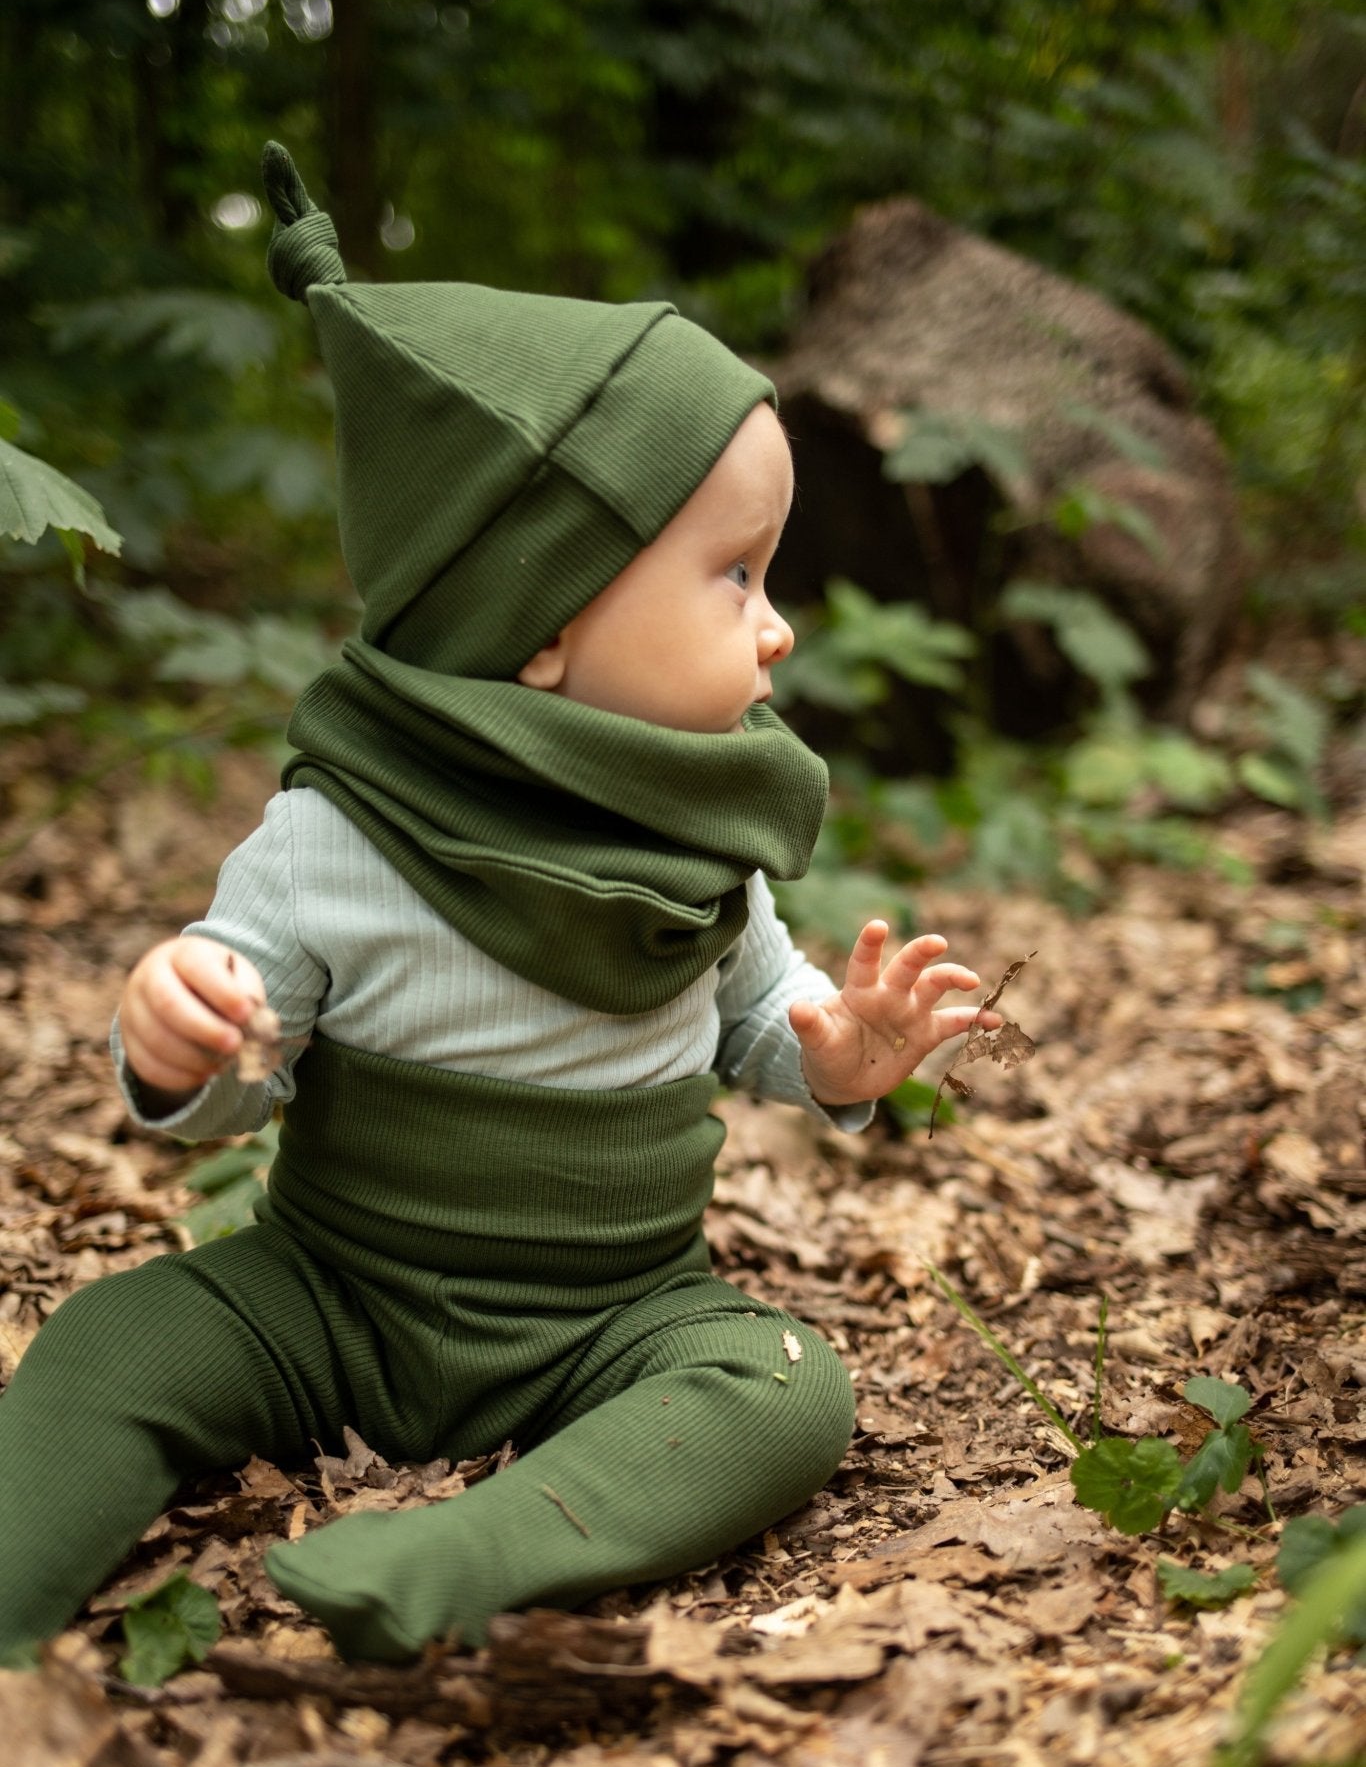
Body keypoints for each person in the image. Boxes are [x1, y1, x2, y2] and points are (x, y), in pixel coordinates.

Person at [0, 147, 996, 1667]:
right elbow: (227, 1083)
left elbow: (759, 1022)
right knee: (117, 1336)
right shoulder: (340, 833)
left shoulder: (700, 832)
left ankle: (468, 1556)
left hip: (611, 1318)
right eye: (733, 576)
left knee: (786, 1384)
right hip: (329, 1297)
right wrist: (181, 1040)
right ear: (537, 626)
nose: (777, 626)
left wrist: (839, 1055)